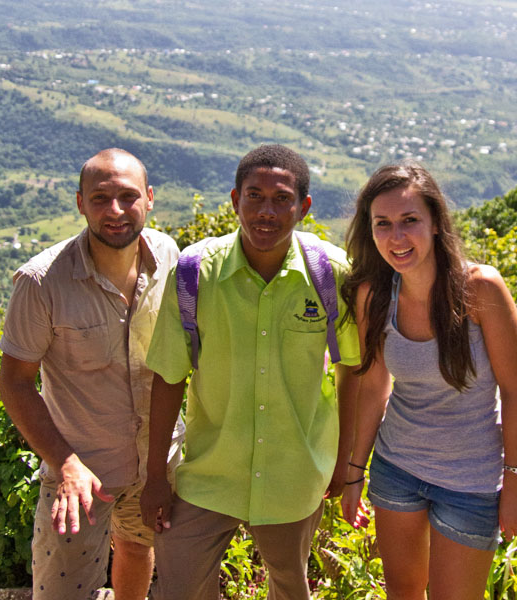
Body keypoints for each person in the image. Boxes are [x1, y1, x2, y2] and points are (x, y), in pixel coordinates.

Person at [140, 144, 361, 600]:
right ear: (234, 199)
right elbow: (168, 378)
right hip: (208, 474)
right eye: (254, 196)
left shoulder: (330, 275)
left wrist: (344, 463)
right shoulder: (194, 273)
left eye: (282, 199)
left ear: (304, 207)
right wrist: (156, 477)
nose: (266, 212)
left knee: (289, 587)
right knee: (179, 588)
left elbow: (351, 373)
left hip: (294, 475)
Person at [0, 148, 185, 600]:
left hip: (157, 461)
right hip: (81, 472)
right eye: (101, 198)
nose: (115, 211)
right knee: (63, 589)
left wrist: (159, 468)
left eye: (128, 196)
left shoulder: (168, 256)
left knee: (138, 551)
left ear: (150, 198)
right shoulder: (42, 282)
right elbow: (16, 382)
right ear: (80, 202)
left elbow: (172, 366)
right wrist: (66, 465)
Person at [340, 162, 517, 599]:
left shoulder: (481, 289)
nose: (397, 237)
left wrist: (515, 484)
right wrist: (354, 474)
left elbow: (515, 393)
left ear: (435, 224)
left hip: (471, 481)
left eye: (410, 221)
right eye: (382, 224)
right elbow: (373, 387)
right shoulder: (375, 294)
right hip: (397, 471)